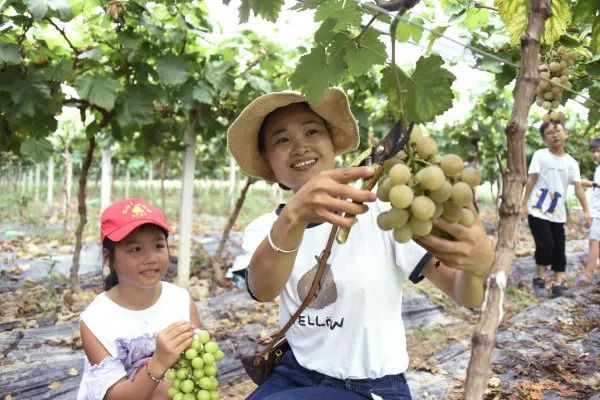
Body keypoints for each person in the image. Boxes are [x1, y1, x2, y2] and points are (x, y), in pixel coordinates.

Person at [226, 87, 493, 400]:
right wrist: (294, 216)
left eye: (312, 131)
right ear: (269, 161)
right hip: (294, 375)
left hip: (372, 389)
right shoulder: (265, 229)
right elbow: (262, 289)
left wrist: (477, 269)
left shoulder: (384, 213)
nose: (300, 146)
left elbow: (466, 295)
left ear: (332, 144)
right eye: (281, 139)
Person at [76, 198, 201, 400]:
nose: (151, 258)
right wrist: (159, 362)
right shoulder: (95, 321)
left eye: (158, 246)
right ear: (108, 258)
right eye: (135, 249)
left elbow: (198, 368)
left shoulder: (181, 301)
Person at [520, 121, 590, 298]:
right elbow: (531, 180)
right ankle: (539, 277)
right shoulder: (540, 155)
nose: (555, 135)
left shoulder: (571, 163)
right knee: (545, 245)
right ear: (544, 139)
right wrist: (523, 204)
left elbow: (578, 187)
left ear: (566, 134)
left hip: (557, 213)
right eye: (549, 133)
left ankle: (559, 285)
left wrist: (586, 210)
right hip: (537, 209)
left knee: (559, 248)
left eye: (558, 131)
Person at [580, 138, 600, 281]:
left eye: (598, 151)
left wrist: (589, 183)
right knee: (594, 240)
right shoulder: (598, 168)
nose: (596, 154)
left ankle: (588, 274)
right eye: (593, 151)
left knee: (594, 241)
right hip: (596, 211)